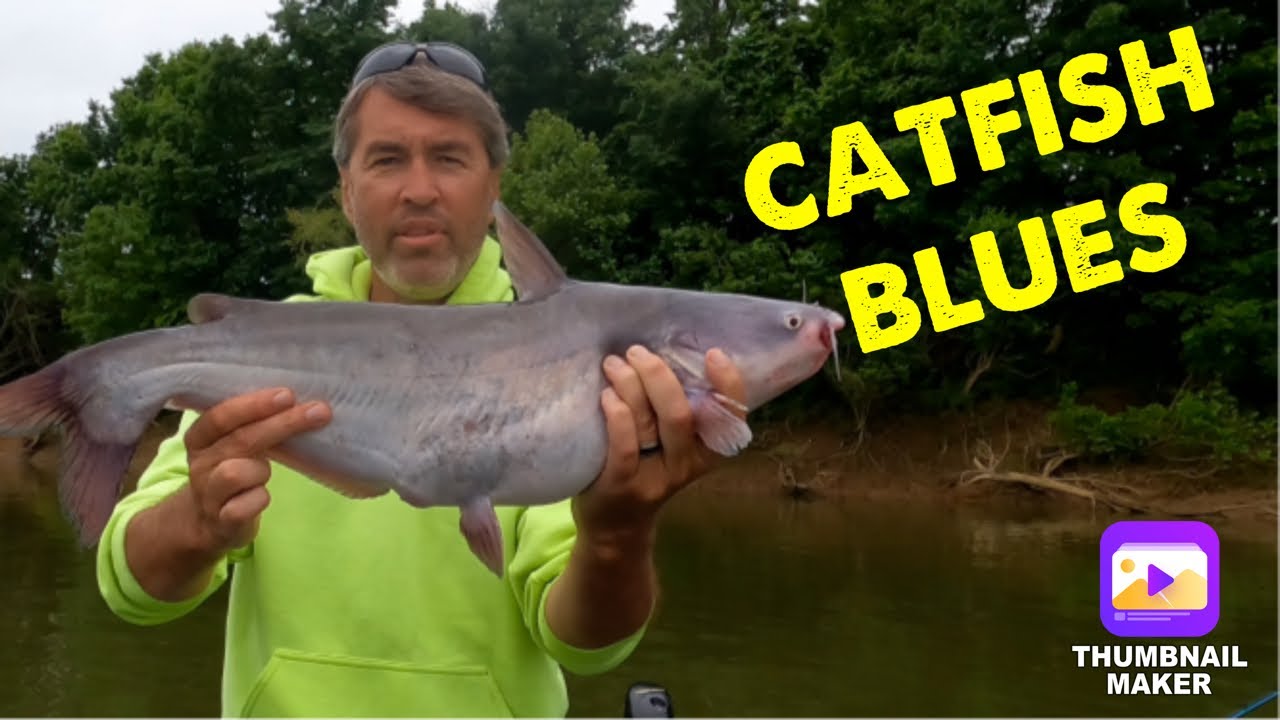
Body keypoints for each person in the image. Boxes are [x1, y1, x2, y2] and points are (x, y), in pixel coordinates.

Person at [95, 40, 746, 718]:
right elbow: (130, 588)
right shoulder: (263, 351)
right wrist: (195, 525)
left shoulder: (573, 356)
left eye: (449, 157)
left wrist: (618, 534)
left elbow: (583, 643)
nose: (419, 189)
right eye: (386, 159)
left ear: (494, 183)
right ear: (345, 190)